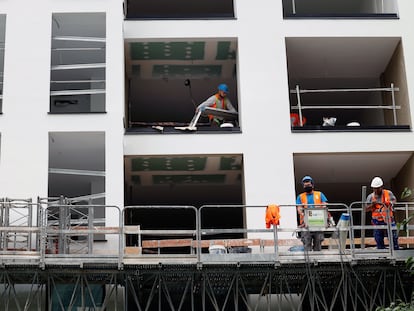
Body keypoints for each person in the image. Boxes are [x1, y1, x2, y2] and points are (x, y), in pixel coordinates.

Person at [296, 175, 329, 251]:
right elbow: (299, 209)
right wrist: (304, 214)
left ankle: (317, 261)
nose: (307, 186)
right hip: (305, 225)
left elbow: (325, 205)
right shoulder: (300, 197)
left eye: (308, 185)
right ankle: (308, 262)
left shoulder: (319, 194)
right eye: (305, 185)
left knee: (318, 244)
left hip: (318, 223)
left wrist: (318, 211)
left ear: (312, 185)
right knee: (307, 245)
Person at [365, 176, 399, 250]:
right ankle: (381, 254)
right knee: (378, 238)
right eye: (374, 188)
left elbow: (394, 201)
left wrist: (389, 202)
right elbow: (365, 209)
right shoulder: (370, 197)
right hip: (377, 221)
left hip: (389, 219)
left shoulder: (388, 193)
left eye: (377, 188)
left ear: (381, 187)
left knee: (393, 237)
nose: (376, 190)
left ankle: (395, 251)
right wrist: (372, 204)